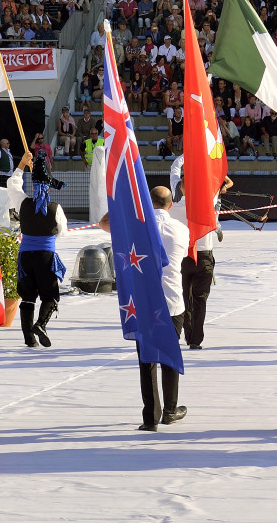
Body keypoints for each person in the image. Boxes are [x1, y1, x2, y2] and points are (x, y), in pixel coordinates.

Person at [100, 187, 189, 431]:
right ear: (170, 205)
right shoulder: (181, 229)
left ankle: (150, 416)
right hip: (172, 301)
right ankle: (170, 410)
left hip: (143, 303)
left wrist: (127, 208)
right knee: (169, 355)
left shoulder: (135, 229)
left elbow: (103, 223)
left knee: (146, 360)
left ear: (149, 203)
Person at [169, 155, 234, 350]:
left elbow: (174, 169)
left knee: (183, 297)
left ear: (179, 188)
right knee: (200, 300)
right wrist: (204, 155)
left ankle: (183, 334)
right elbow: (220, 175)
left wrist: (186, 155)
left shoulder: (174, 204)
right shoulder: (209, 199)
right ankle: (195, 339)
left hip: (182, 257)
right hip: (204, 255)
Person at [9, 152, 68, 348]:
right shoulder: (55, 208)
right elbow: (62, 231)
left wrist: (22, 164)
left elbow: (12, 184)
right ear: (49, 189)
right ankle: (41, 324)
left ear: (33, 187)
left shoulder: (23, 202)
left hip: (26, 255)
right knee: (50, 296)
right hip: (45, 256)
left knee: (27, 297)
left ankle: (29, 338)